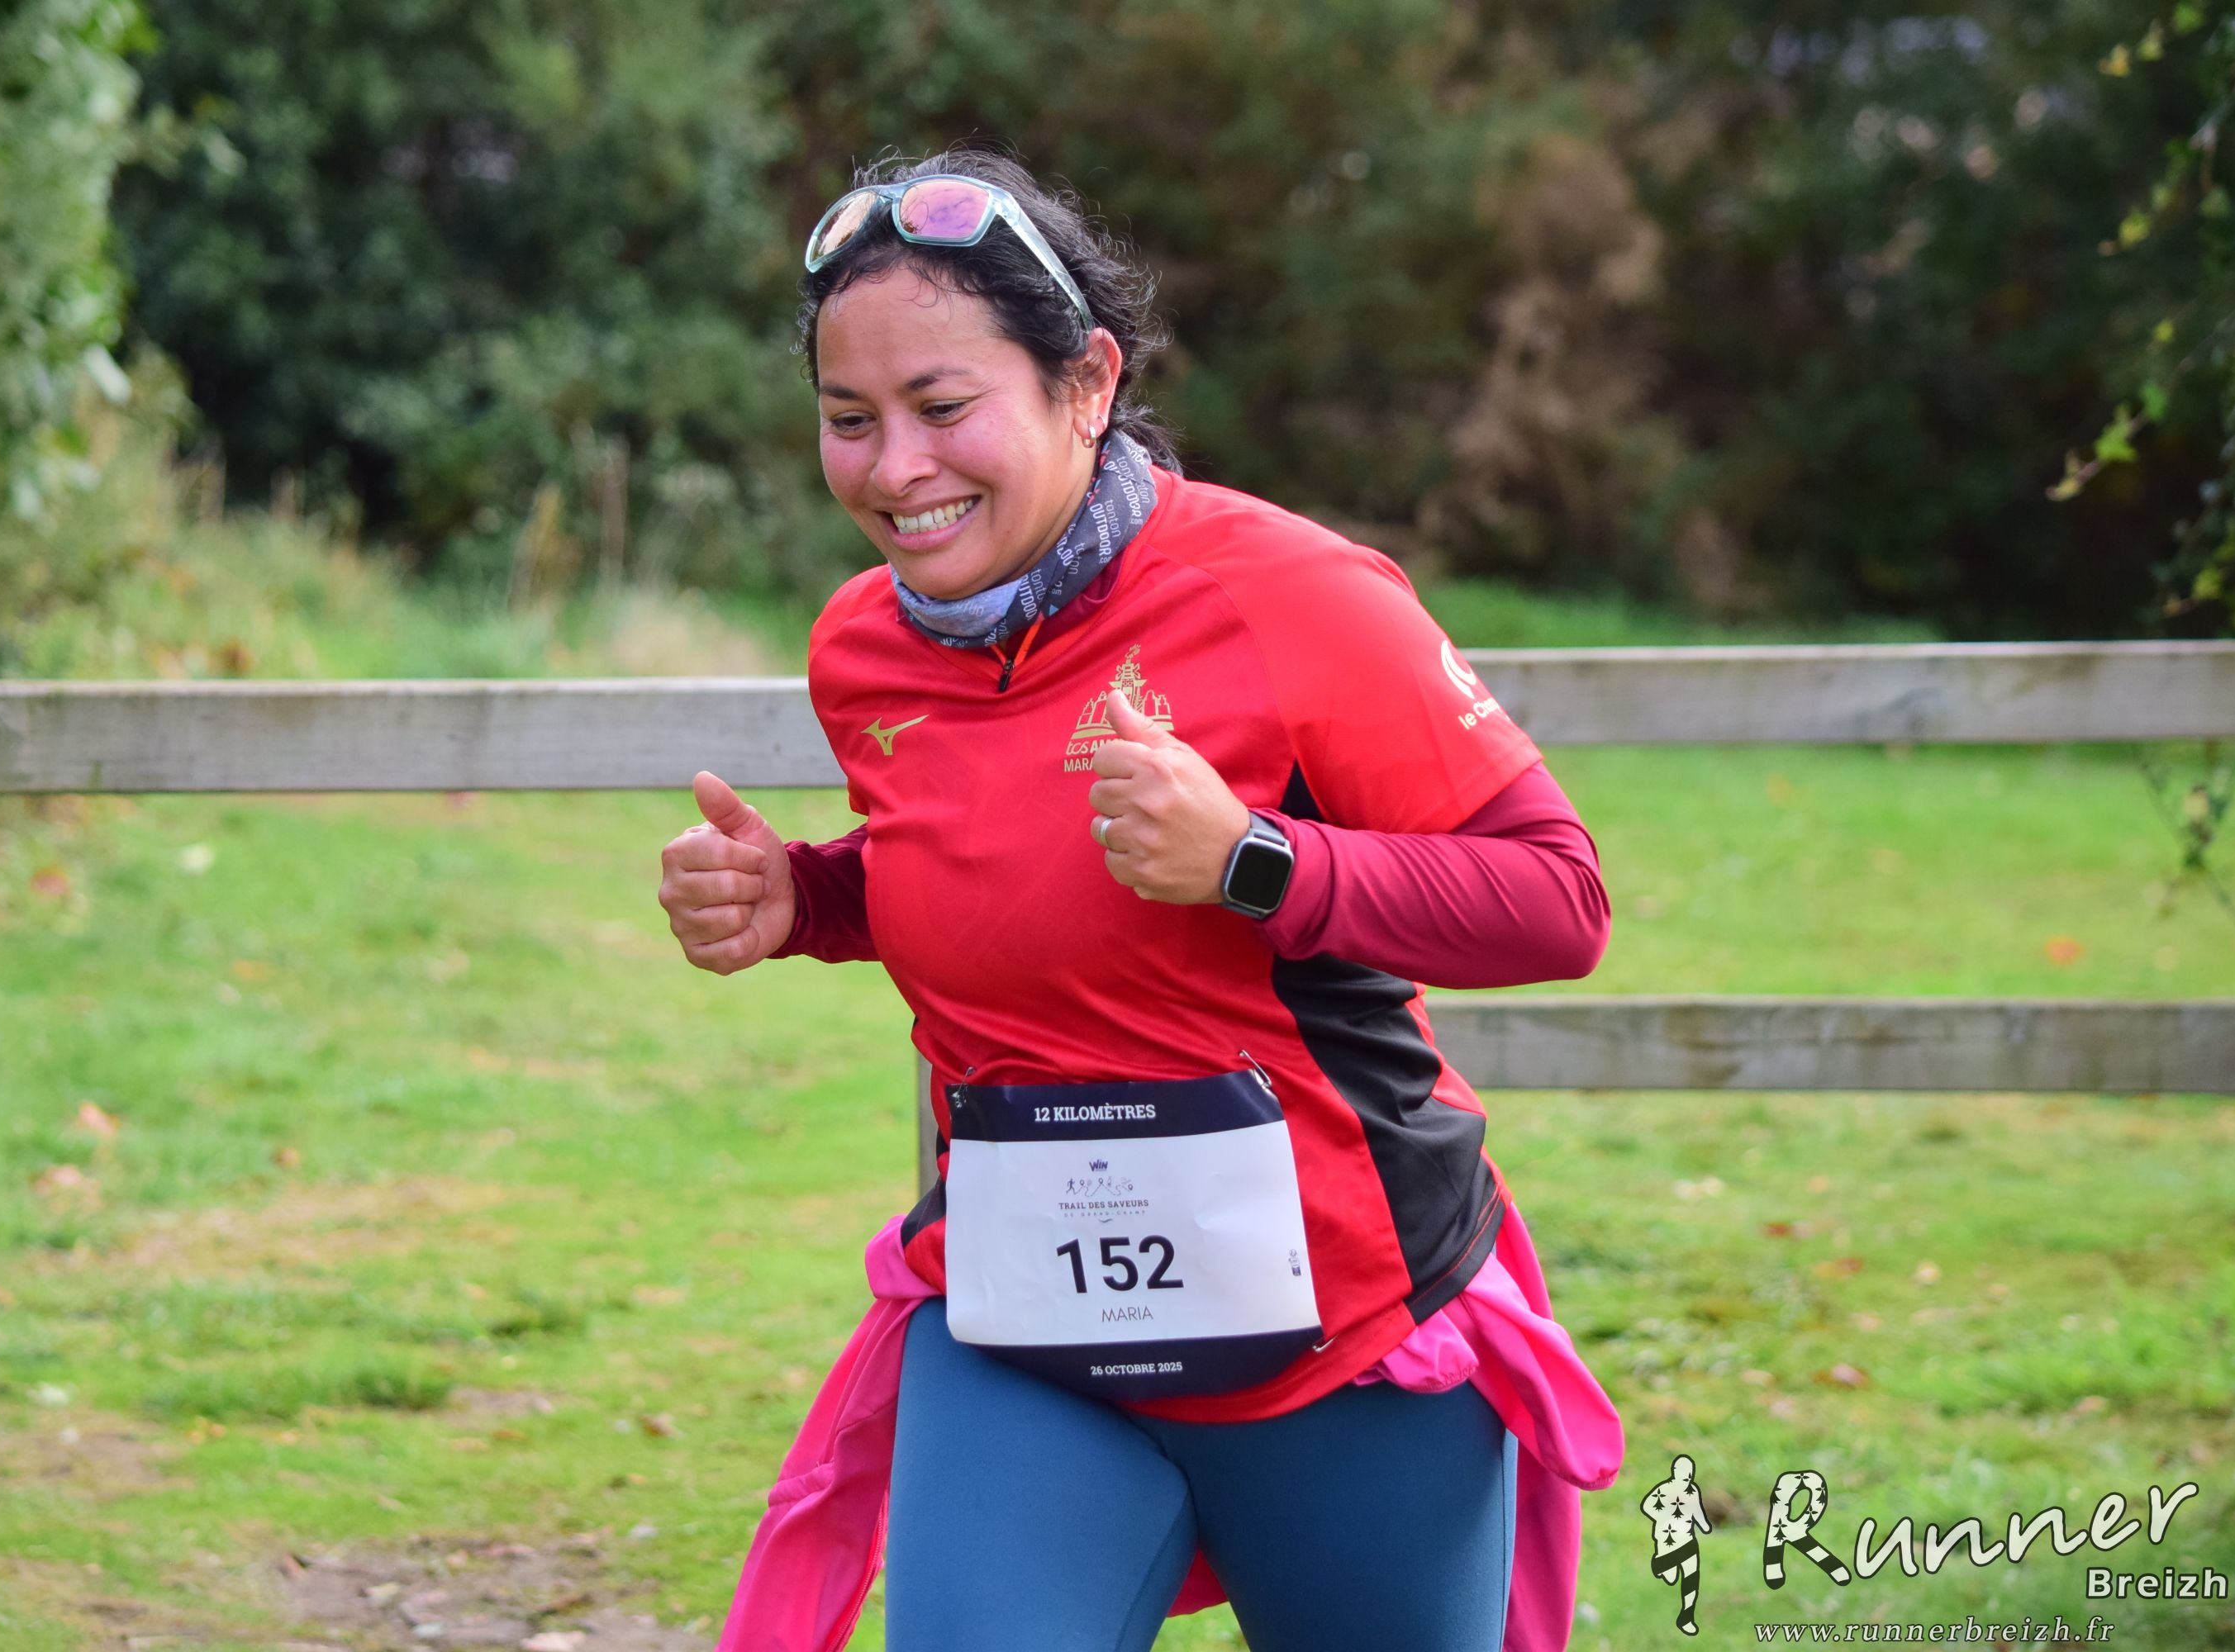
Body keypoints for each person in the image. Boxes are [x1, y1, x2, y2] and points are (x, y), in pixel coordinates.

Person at [657, 147, 1626, 1652]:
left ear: (1088, 383)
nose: (895, 469)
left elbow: (1558, 901)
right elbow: (988, 874)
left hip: (1345, 1339)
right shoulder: (863, 648)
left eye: (943, 407)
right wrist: (808, 898)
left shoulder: (1291, 595)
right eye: (850, 420)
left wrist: (1257, 861)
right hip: (1025, 1333)